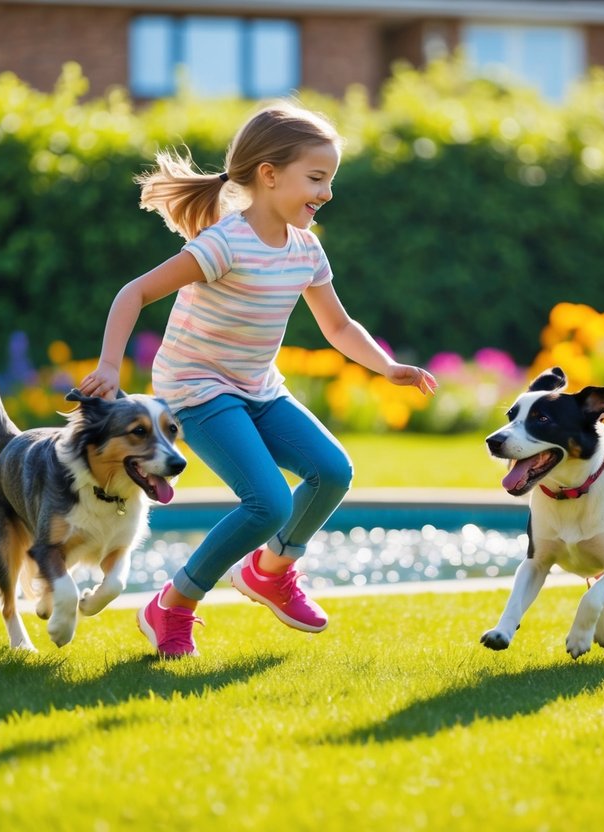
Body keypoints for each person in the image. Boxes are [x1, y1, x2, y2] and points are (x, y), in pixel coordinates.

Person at [79, 101, 438, 658]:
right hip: (196, 389)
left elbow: (338, 325)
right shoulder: (225, 243)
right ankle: (170, 606)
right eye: (316, 178)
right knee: (267, 503)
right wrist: (108, 366)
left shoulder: (306, 249)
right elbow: (136, 292)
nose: (328, 192)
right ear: (269, 176)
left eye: (330, 179)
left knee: (332, 471)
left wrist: (387, 366)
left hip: (257, 385)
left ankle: (271, 572)